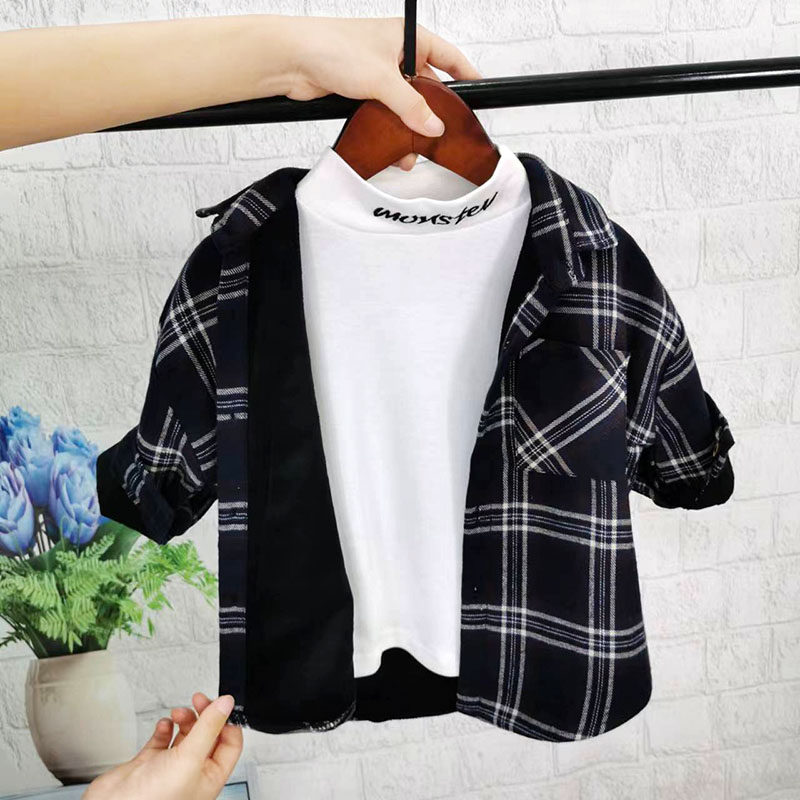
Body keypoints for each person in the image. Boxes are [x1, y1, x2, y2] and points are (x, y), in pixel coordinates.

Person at [0, 13, 482, 799]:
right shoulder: (253, 253)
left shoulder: (254, 250)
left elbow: (157, 483)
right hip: (442, 655)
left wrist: (289, 56)